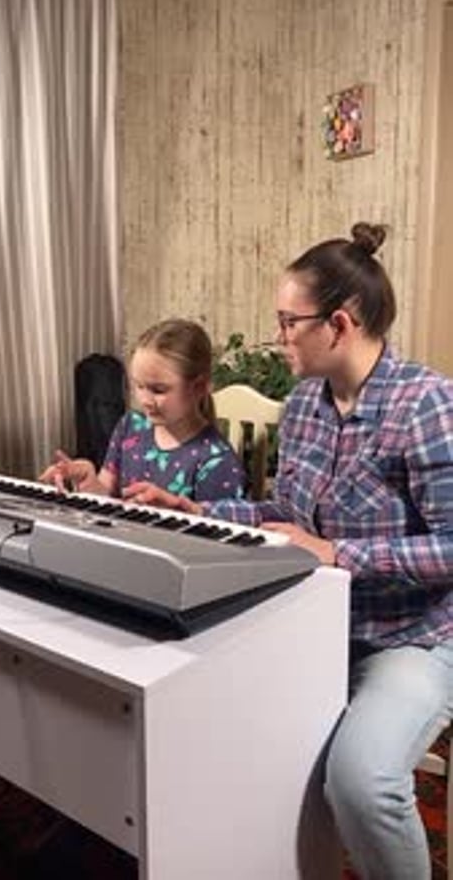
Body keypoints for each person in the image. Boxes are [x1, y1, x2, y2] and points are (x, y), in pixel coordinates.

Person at [125, 223, 453, 880]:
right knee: (210, 726)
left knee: (362, 783)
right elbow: (285, 517)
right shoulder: (303, 404)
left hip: (411, 636)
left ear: (338, 323)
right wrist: (195, 510)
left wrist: (339, 555)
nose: (279, 337)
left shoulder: (425, 403)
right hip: (313, 628)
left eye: (287, 322)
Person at [41, 318, 246, 502]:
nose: (145, 400)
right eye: (139, 386)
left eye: (158, 390)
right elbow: (107, 496)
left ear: (199, 387)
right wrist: (88, 481)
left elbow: (216, 538)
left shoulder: (217, 460)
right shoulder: (130, 427)